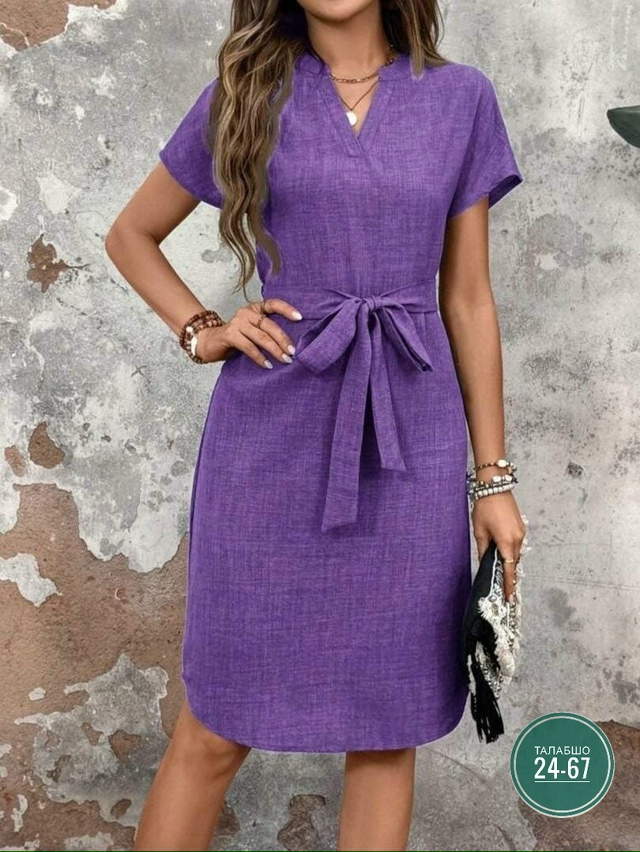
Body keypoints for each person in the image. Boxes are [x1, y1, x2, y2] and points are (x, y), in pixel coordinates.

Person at [105, 0, 527, 849]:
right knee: (216, 727)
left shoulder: (461, 99)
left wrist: (493, 481)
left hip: (410, 443)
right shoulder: (246, 93)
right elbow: (131, 235)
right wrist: (203, 329)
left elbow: (468, 300)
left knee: (388, 727)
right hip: (269, 441)